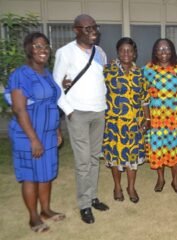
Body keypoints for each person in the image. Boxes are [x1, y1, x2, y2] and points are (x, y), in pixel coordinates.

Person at [5, 32, 65, 232]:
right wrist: (33, 139)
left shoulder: (46, 73)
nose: (43, 50)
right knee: (30, 175)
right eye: (37, 46)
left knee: (46, 174)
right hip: (27, 134)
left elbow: (51, 103)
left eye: (46, 46)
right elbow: (19, 109)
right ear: (29, 49)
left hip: (47, 133)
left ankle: (46, 210)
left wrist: (56, 129)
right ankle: (33, 217)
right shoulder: (20, 74)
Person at [53, 14, 109, 224]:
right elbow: (57, 84)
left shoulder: (100, 52)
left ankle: (93, 196)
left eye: (95, 27)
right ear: (76, 30)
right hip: (77, 112)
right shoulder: (65, 52)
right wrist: (68, 110)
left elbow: (101, 78)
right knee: (83, 161)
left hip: (98, 111)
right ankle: (84, 205)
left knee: (95, 158)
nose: (93, 31)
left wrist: (104, 105)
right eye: (87, 28)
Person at [142, 38, 177, 194]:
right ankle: (160, 178)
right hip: (156, 118)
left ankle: (175, 181)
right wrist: (147, 118)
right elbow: (143, 96)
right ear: (155, 52)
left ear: (172, 51)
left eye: (166, 49)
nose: (163, 52)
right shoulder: (147, 70)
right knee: (158, 148)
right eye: (160, 49)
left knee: (175, 149)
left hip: (176, 118)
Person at [102, 37, 150, 203]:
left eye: (129, 50)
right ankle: (117, 186)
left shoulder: (140, 73)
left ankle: (131, 187)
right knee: (115, 157)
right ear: (117, 52)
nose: (126, 53)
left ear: (135, 53)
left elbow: (144, 98)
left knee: (132, 159)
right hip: (114, 124)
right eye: (122, 50)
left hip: (134, 124)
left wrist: (147, 118)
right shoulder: (107, 71)